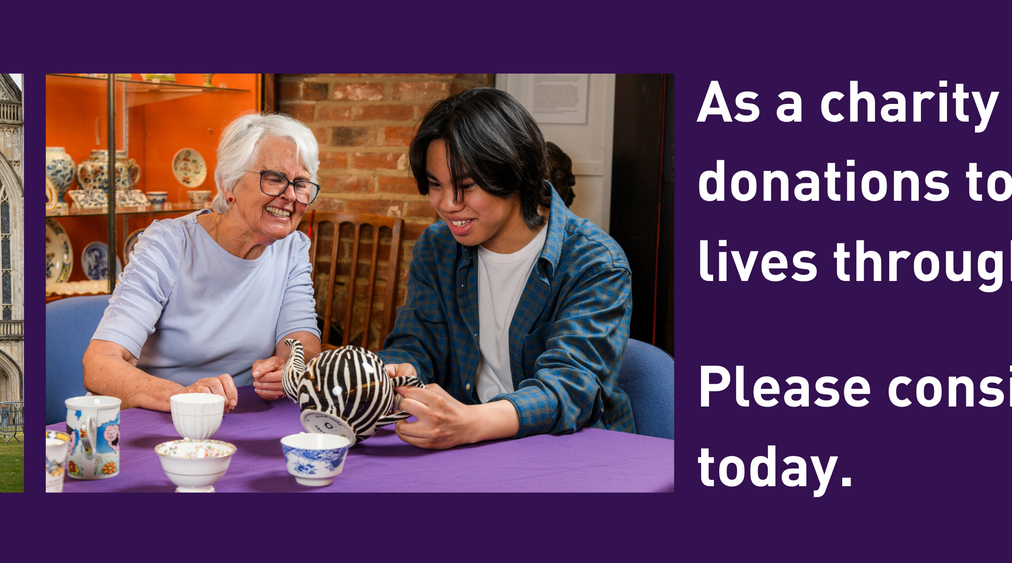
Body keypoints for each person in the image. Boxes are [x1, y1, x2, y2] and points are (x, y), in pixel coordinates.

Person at [378, 88, 635, 450]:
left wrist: (470, 422)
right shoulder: (437, 247)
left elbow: (570, 388)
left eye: (466, 186)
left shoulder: (594, 262)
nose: (448, 205)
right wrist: (399, 369)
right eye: (436, 186)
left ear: (513, 172)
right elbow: (413, 342)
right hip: (465, 448)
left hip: (571, 449)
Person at [83, 113, 324, 412]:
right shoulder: (169, 243)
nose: (290, 195)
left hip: (240, 415)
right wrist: (185, 397)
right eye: (274, 179)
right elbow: (99, 365)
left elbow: (301, 336)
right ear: (228, 184)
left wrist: (288, 365)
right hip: (161, 417)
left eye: (300, 183)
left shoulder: (293, 247)